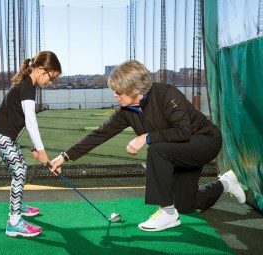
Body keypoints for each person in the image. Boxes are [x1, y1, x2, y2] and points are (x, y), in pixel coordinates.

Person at [49, 60, 246, 232]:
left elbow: (183, 132)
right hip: (179, 153)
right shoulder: (126, 110)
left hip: (205, 141)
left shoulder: (167, 94)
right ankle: (226, 183)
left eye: (119, 91)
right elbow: (100, 134)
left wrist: (145, 137)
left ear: (137, 90)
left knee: (157, 149)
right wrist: (64, 156)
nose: (116, 95)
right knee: (186, 204)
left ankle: (167, 212)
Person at [0, 51, 62, 237]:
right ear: (40, 70)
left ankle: (19, 205)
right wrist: (43, 151)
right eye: (50, 77)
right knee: (19, 171)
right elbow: (31, 122)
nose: (49, 82)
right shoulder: (27, 87)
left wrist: (38, 150)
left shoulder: (28, 85)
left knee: (21, 167)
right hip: (0, 135)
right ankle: (14, 222)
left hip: (4, 135)